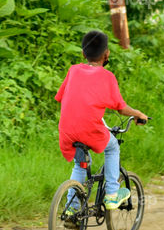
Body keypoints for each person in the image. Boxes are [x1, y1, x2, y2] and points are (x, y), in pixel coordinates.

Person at [55, 30, 147, 215]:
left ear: (83, 53)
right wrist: (138, 114)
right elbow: (120, 107)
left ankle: (72, 209)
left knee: (80, 165)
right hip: (88, 128)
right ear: (107, 54)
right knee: (112, 147)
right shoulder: (107, 77)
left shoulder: (73, 70)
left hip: (67, 129)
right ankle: (112, 194)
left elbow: (61, 97)